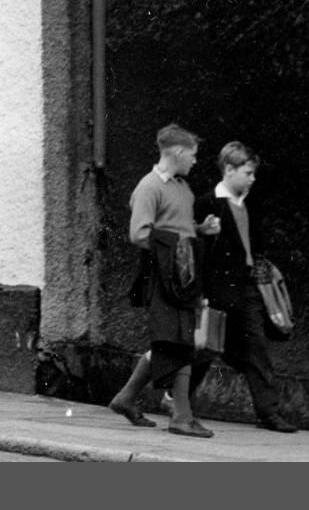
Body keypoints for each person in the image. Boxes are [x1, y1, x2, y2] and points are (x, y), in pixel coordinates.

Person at [108, 123, 220, 437]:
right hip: (164, 276)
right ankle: (181, 417)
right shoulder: (148, 187)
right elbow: (139, 234)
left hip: (185, 276)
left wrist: (200, 230)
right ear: (179, 152)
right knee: (176, 341)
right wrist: (175, 250)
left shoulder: (183, 188)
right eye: (192, 155)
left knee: (177, 341)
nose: (195, 161)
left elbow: (179, 228)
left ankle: (126, 398)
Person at [189, 142, 298, 432]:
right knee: (207, 347)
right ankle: (177, 398)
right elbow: (197, 250)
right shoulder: (207, 203)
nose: (252, 178)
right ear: (229, 170)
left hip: (248, 287)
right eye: (247, 173)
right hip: (219, 288)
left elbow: (256, 244)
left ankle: (268, 412)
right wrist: (201, 292)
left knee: (256, 346)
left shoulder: (251, 203)